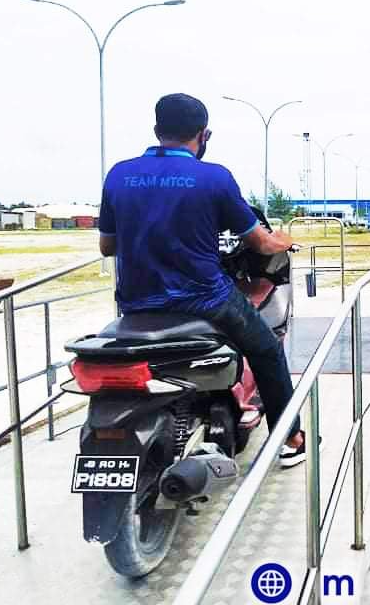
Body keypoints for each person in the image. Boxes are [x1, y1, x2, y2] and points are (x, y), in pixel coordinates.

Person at [97, 93, 309, 466]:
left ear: (157, 130)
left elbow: (107, 246)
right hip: (205, 299)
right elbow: (260, 243)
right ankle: (290, 436)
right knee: (266, 350)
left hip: (136, 302)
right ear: (203, 134)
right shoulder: (213, 177)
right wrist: (284, 241)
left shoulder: (118, 174)